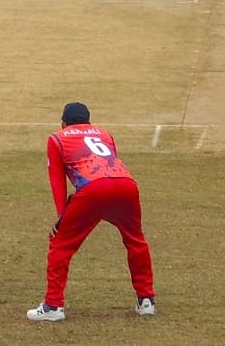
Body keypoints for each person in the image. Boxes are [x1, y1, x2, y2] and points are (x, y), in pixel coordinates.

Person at [27, 102, 156, 322]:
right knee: (136, 240)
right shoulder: (105, 134)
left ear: (63, 122)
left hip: (93, 189)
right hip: (126, 184)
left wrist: (62, 217)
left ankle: (53, 305)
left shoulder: (57, 137)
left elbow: (57, 181)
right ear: (88, 120)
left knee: (60, 244)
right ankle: (146, 300)